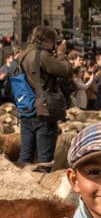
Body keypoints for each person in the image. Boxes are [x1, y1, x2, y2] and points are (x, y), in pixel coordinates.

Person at [17, 25, 73, 170]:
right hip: (43, 112)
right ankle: (40, 189)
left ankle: (21, 187)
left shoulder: (23, 55)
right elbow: (66, 71)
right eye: (54, 41)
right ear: (47, 41)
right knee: (44, 161)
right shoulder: (41, 55)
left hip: (27, 109)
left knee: (25, 157)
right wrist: (61, 54)